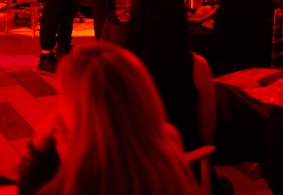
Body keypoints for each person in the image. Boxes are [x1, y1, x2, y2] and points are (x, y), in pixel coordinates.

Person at [18, 43, 201, 195]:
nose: (57, 114)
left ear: (87, 118)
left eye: (64, 99)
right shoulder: (165, 148)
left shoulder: (83, 181)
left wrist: (40, 150)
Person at [125, 0, 215, 153]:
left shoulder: (121, 65)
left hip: (133, 166)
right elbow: (207, 138)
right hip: (183, 163)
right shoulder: (197, 67)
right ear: (180, 18)